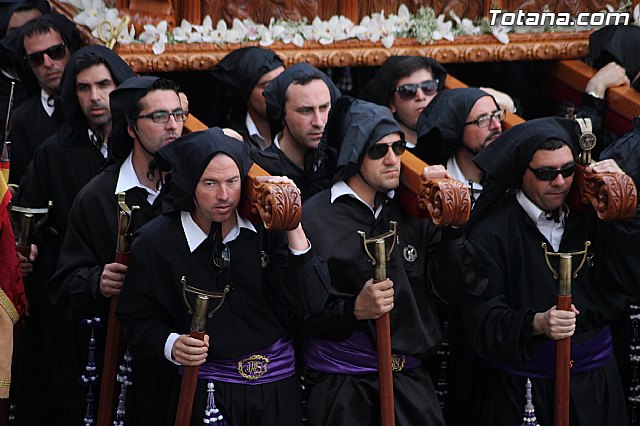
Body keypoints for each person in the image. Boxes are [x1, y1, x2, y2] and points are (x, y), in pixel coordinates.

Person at [116, 127, 330, 425]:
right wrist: (172, 344)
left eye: (233, 181)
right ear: (190, 182)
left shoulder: (267, 232)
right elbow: (136, 320)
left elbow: (312, 301)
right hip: (205, 389)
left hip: (276, 389)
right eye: (210, 183)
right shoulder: (156, 243)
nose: (224, 195)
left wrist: (292, 225)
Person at [300, 96, 486, 426]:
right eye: (378, 150)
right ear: (355, 152)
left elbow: (458, 291)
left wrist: (453, 229)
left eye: (398, 148)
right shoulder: (314, 218)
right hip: (343, 389)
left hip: (410, 383)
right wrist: (353, 311)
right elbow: (297, 312)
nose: (392, 159)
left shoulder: (414, 213)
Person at [462, 117, 640, 426]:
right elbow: (480, 318)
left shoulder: (591, 216)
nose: (560, 182)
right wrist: (536, 323)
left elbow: (627, 279)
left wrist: (621, 218)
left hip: (595, 384)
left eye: (568, 170)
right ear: (522, 172)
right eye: (546, 173)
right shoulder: (491, 232)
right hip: (524, 390)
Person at [47, 76, 186, 423]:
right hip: (122, 359)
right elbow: (64, 282)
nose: (172, 125)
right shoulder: (97, 197)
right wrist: (98, 280)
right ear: (131, 129)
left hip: (184, 353)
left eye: (178, 114)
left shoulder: (194, 189)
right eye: (158, 117)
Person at [11, 44, 134, 426]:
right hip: (69, 288)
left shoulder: (140, 148)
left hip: (128, 287)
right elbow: (26, 213)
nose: (95, 97)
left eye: (104, 85)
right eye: (83, 88)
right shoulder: (53, 151)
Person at [359, 55, 514, 146]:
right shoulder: (388, 148)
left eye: (428, 87)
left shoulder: (455, 135)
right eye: (408, 91)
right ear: (392, 103)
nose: (420, 96)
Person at [8, 13, 82, 184]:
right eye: (36, 58)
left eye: (56, 52)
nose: (48, 63)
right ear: (28, 65)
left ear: (70, 50)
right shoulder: (20, 121)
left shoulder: (92, 106)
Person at [259, 62, 341, 200]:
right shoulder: (263, 172)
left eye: (324, 107)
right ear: (282, 114)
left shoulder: (339, 162)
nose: (318, 122)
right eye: (305, 111)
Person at [415, 87, 503, 203]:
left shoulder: (508, 178)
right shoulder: (436, 183)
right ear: (458, 128)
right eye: (483, 119)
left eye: (497, 115)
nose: (496, 125)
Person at [207, 46, 284, 149]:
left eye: (282, 82)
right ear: (247, 95)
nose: (279, 91)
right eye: (267, 86)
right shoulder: (232, 141)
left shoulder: (298, 132)